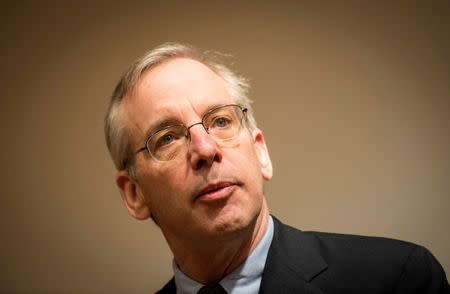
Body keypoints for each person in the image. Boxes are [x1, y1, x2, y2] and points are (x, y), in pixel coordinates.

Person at [104, 42, 449, 294]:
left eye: (221, 120)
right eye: (167, 139)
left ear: (260, 152)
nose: (205, 150)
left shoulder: (399, 279)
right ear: (135, 194)